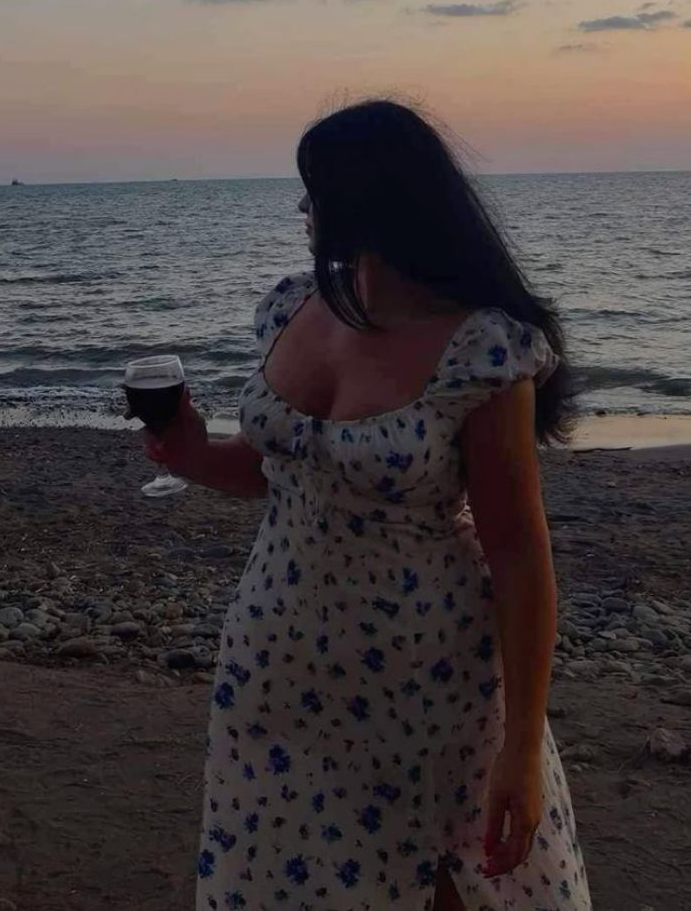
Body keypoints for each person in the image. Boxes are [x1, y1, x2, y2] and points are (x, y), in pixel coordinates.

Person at [145, 100, 591, 911]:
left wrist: (522, 748)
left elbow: (519, 554)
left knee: (447, 881)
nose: (302, 207)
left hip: (426, 688)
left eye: (314, 190)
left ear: (370, 199)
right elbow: (283, 475)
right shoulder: (294, 307)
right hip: (272, 675)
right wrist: (192, 455)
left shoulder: (480, 347)